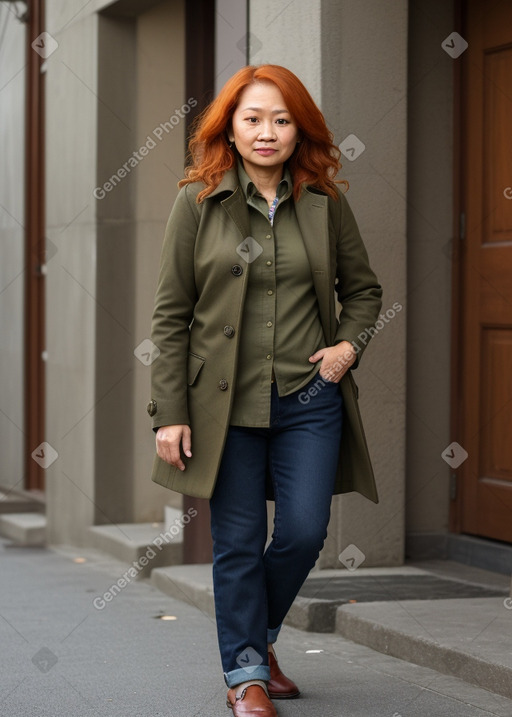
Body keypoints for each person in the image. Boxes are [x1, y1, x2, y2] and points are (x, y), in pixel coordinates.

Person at [148, 64, 382, 717]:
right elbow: (170, 314)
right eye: (252, 118)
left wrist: (346, 347)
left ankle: (259, 639)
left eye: (281, 119)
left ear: (298, 126)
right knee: (238, 541)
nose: (267, 131)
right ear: (230, 125)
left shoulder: (325, 202)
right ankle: (247, 675)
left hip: (311, 398)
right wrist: (170, 411)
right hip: (222, 405)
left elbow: (363, 291)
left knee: (305, 531)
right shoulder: (197, 200)